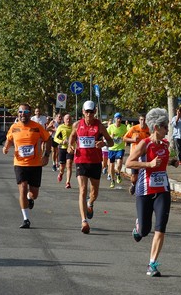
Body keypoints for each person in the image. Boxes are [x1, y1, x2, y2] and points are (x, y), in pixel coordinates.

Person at [126, 107, 179, 276]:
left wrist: (171, 162)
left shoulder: (165, 144)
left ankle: (152, 264)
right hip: (145, 190)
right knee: (144, 231)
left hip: (162, 190)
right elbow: (129, 163)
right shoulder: (144, 144)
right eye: (165, 127)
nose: (167, 130)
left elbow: (162, 161)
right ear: (156, 127)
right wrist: (148, 165)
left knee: (160, 228)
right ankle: (138, 228)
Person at [68, 100, 114, 234]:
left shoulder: (99, 126)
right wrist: (71, 146)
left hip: (95, 162)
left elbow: (110, 142)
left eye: (91, 111)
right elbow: (71, 137)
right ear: (83, 112)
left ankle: (90, 203)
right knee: (82, 190)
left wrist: (103, 143)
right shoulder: (77, 125)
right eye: (87, 111)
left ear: (95, 112)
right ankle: (84, 221)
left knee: (94, 192)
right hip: (81, 160)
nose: (89, 114)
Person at [3, 103, 52, 229]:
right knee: (23, 188)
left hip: (35, 164)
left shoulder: (37, 127)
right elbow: (9, 139)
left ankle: (30, 199)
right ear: (18, 113)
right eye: (20, 112)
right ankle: (26, 219)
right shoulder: (14, 127)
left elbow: (48, 139)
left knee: (33, 193)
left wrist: (46, 155)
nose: (22, 114)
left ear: (30, 113)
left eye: (25, 112)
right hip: (19, 164)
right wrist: (6, 148)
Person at [124, 114, 151, 195]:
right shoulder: (134, 128)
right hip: (134, 155)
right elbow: (124, 138)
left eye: (145, 120)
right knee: (134, 176)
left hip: (145, 155)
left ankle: (142, 189)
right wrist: (133, 140)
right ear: (139, 120)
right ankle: (133, 184)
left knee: (144, 173)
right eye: (142, 120)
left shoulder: (149, 130)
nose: (143, 122)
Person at [107, 112, 128, 188]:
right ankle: (112, 180)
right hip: (112, 148)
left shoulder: (124, 127)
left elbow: (127, 134)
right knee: (111, 166)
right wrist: (110, 136)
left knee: (119, 163)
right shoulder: (110, 127)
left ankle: (118, 173)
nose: (119, 120)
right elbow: (105, 136)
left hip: (120, 148)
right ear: (115, 119)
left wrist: (124, 137)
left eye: (120, 118)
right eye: (117, 118)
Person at [54, 113, 74, 189]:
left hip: (70, 148)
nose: (68, 120)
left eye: (70, 119)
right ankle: (61, 173)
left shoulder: (73, 127)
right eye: (67, 119)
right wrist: (62, 141)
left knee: (69, 165)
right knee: (62, 166)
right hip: (62, 148)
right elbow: (56, 138)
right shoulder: (61, 127)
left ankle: (68, 182)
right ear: (64, 120)